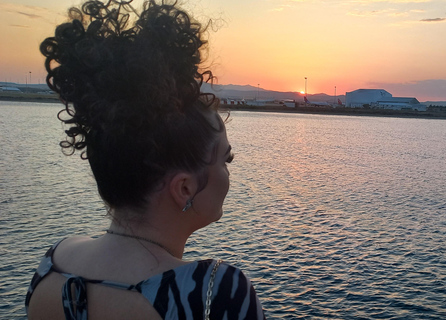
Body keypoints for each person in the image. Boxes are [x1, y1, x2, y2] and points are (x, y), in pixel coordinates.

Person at [25, 0, 266, 319]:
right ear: (184, 188)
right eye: (226, 160)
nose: (227, 173)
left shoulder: (54, 263)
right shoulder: (212, 292)